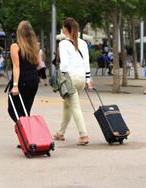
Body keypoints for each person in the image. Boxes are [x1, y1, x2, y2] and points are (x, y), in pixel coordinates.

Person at [53, 17, 92, 145]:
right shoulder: (83, 43)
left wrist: (61, 76)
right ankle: (60, 133)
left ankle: (83, 135)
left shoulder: (63, 43)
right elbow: (86, 62)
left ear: (65, 29)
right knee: (68, 105)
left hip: (70, 78)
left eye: (63, 27)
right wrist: (88, 79)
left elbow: (63, 64)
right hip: (81, 78)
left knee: (74, 106)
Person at [7, 21, 43, 122]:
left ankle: (24, 132)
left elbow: (16, 66)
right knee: (26, 110)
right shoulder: (36, 46)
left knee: (13, 109)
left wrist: (15, 85)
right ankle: (27, 132)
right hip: (34, 79)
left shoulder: (15, 46)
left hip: (22, 79)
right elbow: (40, 64)